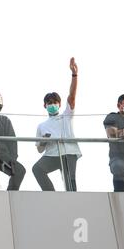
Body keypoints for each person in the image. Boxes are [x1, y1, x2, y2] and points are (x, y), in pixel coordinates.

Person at [32, 58, 81, 191]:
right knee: (37, 169)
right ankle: (50, 194)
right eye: (49, 103)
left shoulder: (66, 115)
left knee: (69, 181)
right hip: (52, 154)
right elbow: (39, 149)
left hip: (68, 152)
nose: (52, 105)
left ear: (59, 104)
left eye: (54, 102)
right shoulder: (42, 126)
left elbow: (72, 96)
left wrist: (74, 75)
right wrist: (43, 141)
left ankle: (74, 203)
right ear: (45, 105)